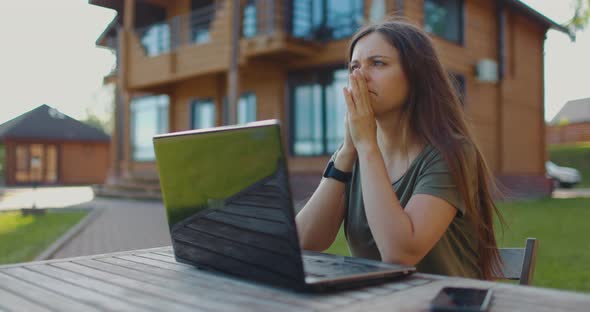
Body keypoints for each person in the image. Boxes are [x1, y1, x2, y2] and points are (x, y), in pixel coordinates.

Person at [295, 17, 504, 280]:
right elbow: (304, 240)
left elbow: (400, 253)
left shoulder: (451, 152)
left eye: (378, 63)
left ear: (416, 76)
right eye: (354, 66)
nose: (360, 76)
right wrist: (348, 151)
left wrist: (366, 146)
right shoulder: (356, 153)